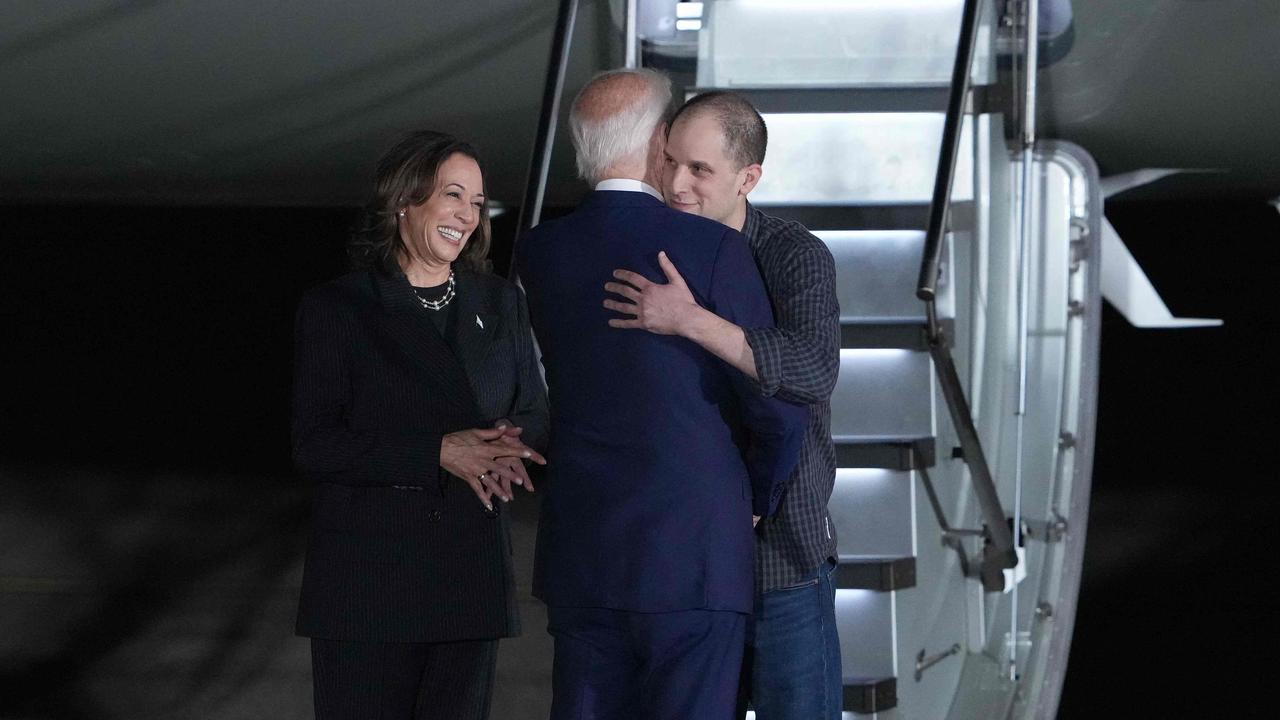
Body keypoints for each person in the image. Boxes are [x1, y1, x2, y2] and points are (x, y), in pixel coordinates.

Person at [516, 69, 807, 720]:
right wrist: (755, 497)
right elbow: (778, 407)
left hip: (584, 554)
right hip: (694, 552)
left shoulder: (540, 252)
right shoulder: (711, 249)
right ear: (658, 143)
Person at [291, 130, 548, 720]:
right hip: (367, 584)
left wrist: (503, 445)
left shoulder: (500, 302)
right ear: (404, 201)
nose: (467, 215)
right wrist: (435, 452)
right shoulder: (340, 307)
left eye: (477, 203)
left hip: (467, 574)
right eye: (453, 195)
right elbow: (315, 444)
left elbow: (535, 412)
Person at [603, 91, 842, 720]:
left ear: (748, 178)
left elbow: (813, 372)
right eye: (671, 162)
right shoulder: (645, 248)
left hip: (781, 558)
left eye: (700, 170)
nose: (677, 184)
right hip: (681, 560)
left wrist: (688, 320)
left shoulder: (794, 254)